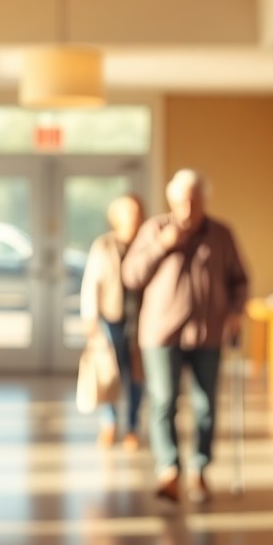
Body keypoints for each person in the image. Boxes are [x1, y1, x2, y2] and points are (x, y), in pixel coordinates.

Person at [122, 169, 249, 504]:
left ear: (205, 200)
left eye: (194, 201)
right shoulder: (154, 230)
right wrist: (161, 247)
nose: (188, 208)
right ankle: (169, 470)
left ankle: (199, 469)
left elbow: (240, 279)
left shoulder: (221, 234)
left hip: (208, 333)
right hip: (161, 334)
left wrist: (236, 311)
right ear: (170, 201)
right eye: (181, 201)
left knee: (206, 404)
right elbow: (131, 276)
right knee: (163, 401)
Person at [80, 194, 146, 451]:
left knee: (137, 375)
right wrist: (91, 319)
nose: (133, 217)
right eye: (127, 212)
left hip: (142, 321)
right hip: (112, 319)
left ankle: (132, 427)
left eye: (136, 211)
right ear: (115, 216)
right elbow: (91, 284)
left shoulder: (147, 243)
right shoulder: (104, 245)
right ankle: (109, 423)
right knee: (109, 373)